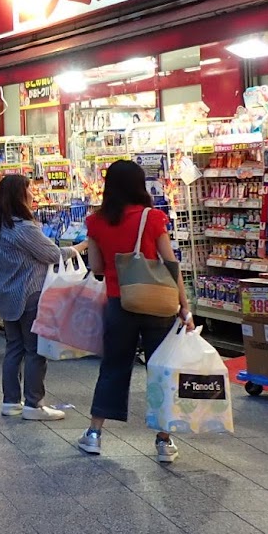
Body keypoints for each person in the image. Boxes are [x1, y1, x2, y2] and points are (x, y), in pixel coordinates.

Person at [79, 159, 194, 463]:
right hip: (158, 303)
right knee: (161, 369)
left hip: (119, 303)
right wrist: (184, 306)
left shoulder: (96, 222)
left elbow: (98, 267)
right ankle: (164, 441)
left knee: (114, 367)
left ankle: (94, 434)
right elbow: (170, 264)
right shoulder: (152, 218)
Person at [0, 174, 87, 421]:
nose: (32, 193)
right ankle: (33, 404)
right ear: (20, 194)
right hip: (28, 294)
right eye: (29, 188)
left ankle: (10, 401)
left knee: (13, 348)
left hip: (4, 295)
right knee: (35, 350)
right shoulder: (22, 227)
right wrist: (83, 246)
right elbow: (52, 254)